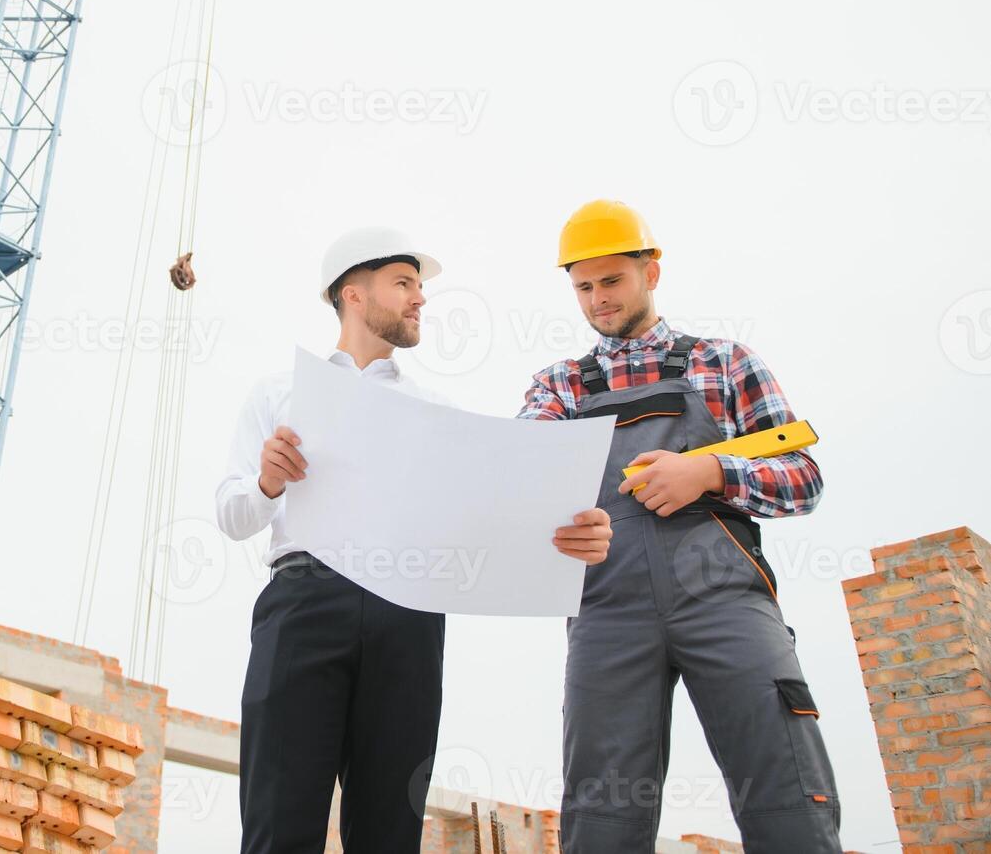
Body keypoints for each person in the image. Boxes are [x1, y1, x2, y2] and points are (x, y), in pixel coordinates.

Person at [216, 225, 614, 853]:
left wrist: (566, 533)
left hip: (408, 612)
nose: (419, 299)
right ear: (352, 293)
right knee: (279, 813)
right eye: (404, 284)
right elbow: (233, 516)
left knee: (389, 826)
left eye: (419, 287)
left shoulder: (434, 410)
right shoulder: (278, 393)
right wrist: (267, 483)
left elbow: (486, 516)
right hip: (303, 602)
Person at [518, 200, 841, 852]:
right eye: (583, 287)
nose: (598, 300)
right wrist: (549, 525)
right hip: (606, 611)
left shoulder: (722, 362)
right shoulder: (558, 388)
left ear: (650, 271)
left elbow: (802, 480)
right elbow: (521, 488)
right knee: (601, 806)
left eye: (612, 281)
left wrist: (713, 472)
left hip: (724, 598)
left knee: (782, 778)